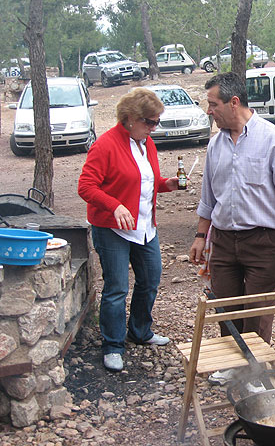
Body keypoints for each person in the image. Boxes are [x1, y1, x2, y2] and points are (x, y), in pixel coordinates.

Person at [189, 72, 275, 382]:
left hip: (263, 242)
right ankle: (233, 366)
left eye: (212, 104)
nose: (208, 111)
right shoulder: (215, 145)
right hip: (224, 242)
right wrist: (201, 237)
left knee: (257, 310)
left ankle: (255, 376)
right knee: (226, 308)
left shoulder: (273, 139)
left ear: (233, 102)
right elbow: (208, 198)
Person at [78, 88, 179, 372]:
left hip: (144, 226)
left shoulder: (146, 143)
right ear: (130, 118)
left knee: (150, 279)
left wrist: (165, 184)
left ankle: (140, 330)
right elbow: (86, 187)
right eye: (149, 122)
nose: (153, 127)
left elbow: (146, 180)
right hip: (112, 228)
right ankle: (112, 344)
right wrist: (114, 206)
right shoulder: (106, 145)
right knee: (117, 288)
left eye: (157, 122)